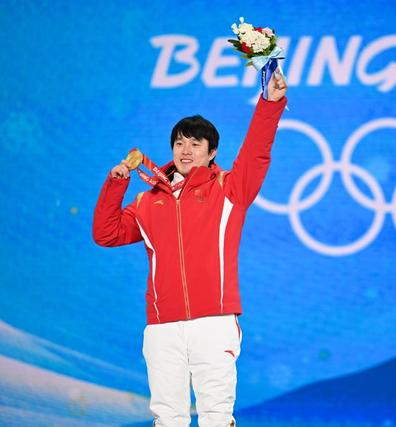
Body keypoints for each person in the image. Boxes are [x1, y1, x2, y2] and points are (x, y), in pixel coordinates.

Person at [93, 72, 288, 427]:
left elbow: (256, 153)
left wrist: (270, 103)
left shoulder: (229, 189)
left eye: (196, 144)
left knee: (216, 417)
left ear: (212, 153)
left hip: (213, 321)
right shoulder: (147, 202)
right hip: (163, 325)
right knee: (168, 418)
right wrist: (116, 184)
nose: (186, 151)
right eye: (180, 143)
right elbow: (106, 234)